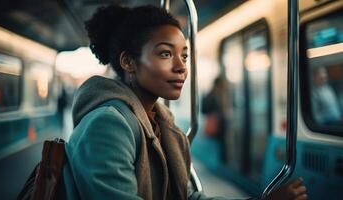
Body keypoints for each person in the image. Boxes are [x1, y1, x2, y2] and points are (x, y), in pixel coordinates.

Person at [62, 4, 307, 200]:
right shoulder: (107, 125)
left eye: (185, 55)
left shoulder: (162, 124)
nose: (181, 67)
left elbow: (185, 196)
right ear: (128, 62)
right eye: (166, 53)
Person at [202, 77, 228, 162]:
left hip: (221, 126)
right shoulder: (210, 95)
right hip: (214, 125)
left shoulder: (222, 95)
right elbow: (204, 110)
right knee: (212, 148)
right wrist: (216, 113)